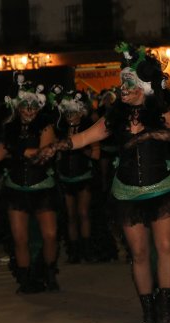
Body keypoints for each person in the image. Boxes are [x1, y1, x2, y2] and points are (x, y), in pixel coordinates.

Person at [36, 42, 170, 323]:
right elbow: (86, 137)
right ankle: (149, 309)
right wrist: (55, 147)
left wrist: (149, 135)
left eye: (129, 83)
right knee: (139, 253)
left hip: (162, 189)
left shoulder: (160, 110)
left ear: (143, 86)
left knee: (165, 246)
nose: (123, 89)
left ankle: (166, 307)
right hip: (127, 192)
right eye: (123, 84)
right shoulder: (115, 117)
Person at [0, 82, 60, 294]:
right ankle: (26, 279)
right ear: (18, 108)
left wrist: (16, 149)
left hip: (43, 187)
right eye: (25, 106)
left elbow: (40, 154)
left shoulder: (46, 127)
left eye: (33, 106)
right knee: (20, 238)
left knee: (50, 235)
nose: (29, 110)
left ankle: (49, 273)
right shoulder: (8, 128)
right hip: (16, 188)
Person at [54, 91, 99, 263]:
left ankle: (86, 250)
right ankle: (74, 251)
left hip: (83, 176)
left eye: (72, 113)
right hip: (66, 176)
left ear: (81, 113)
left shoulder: (88, 130)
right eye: (67, 113)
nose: (69, 116)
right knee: (71, 215)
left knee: (83, 213)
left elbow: (96, 154)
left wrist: (79, 146)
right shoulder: (61, 130)